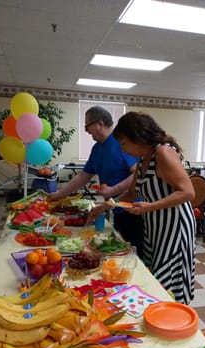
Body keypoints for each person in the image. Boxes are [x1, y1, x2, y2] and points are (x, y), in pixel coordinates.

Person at [110, 111, 196, 304]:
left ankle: (173, 319)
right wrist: (106, 206)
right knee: (155, 275)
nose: (123, 150)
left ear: (137, 136)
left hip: (174, 228)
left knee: (168, 280)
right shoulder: (143, 158)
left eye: (124, 143)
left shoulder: (163, 153)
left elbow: (188, 192)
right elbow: (132, 193)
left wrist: (150, 206)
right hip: (155, 226)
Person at [49, 106, 143, 257]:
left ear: (99, 124)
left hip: (135, 210)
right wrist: (60, 193)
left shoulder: (121, 142)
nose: (86, 131)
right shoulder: (97, 148)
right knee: (121, 250)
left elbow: (137, 174)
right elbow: (83, 176)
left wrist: (113, 190)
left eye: (87, 126)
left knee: (134, 254)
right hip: (116, 207)